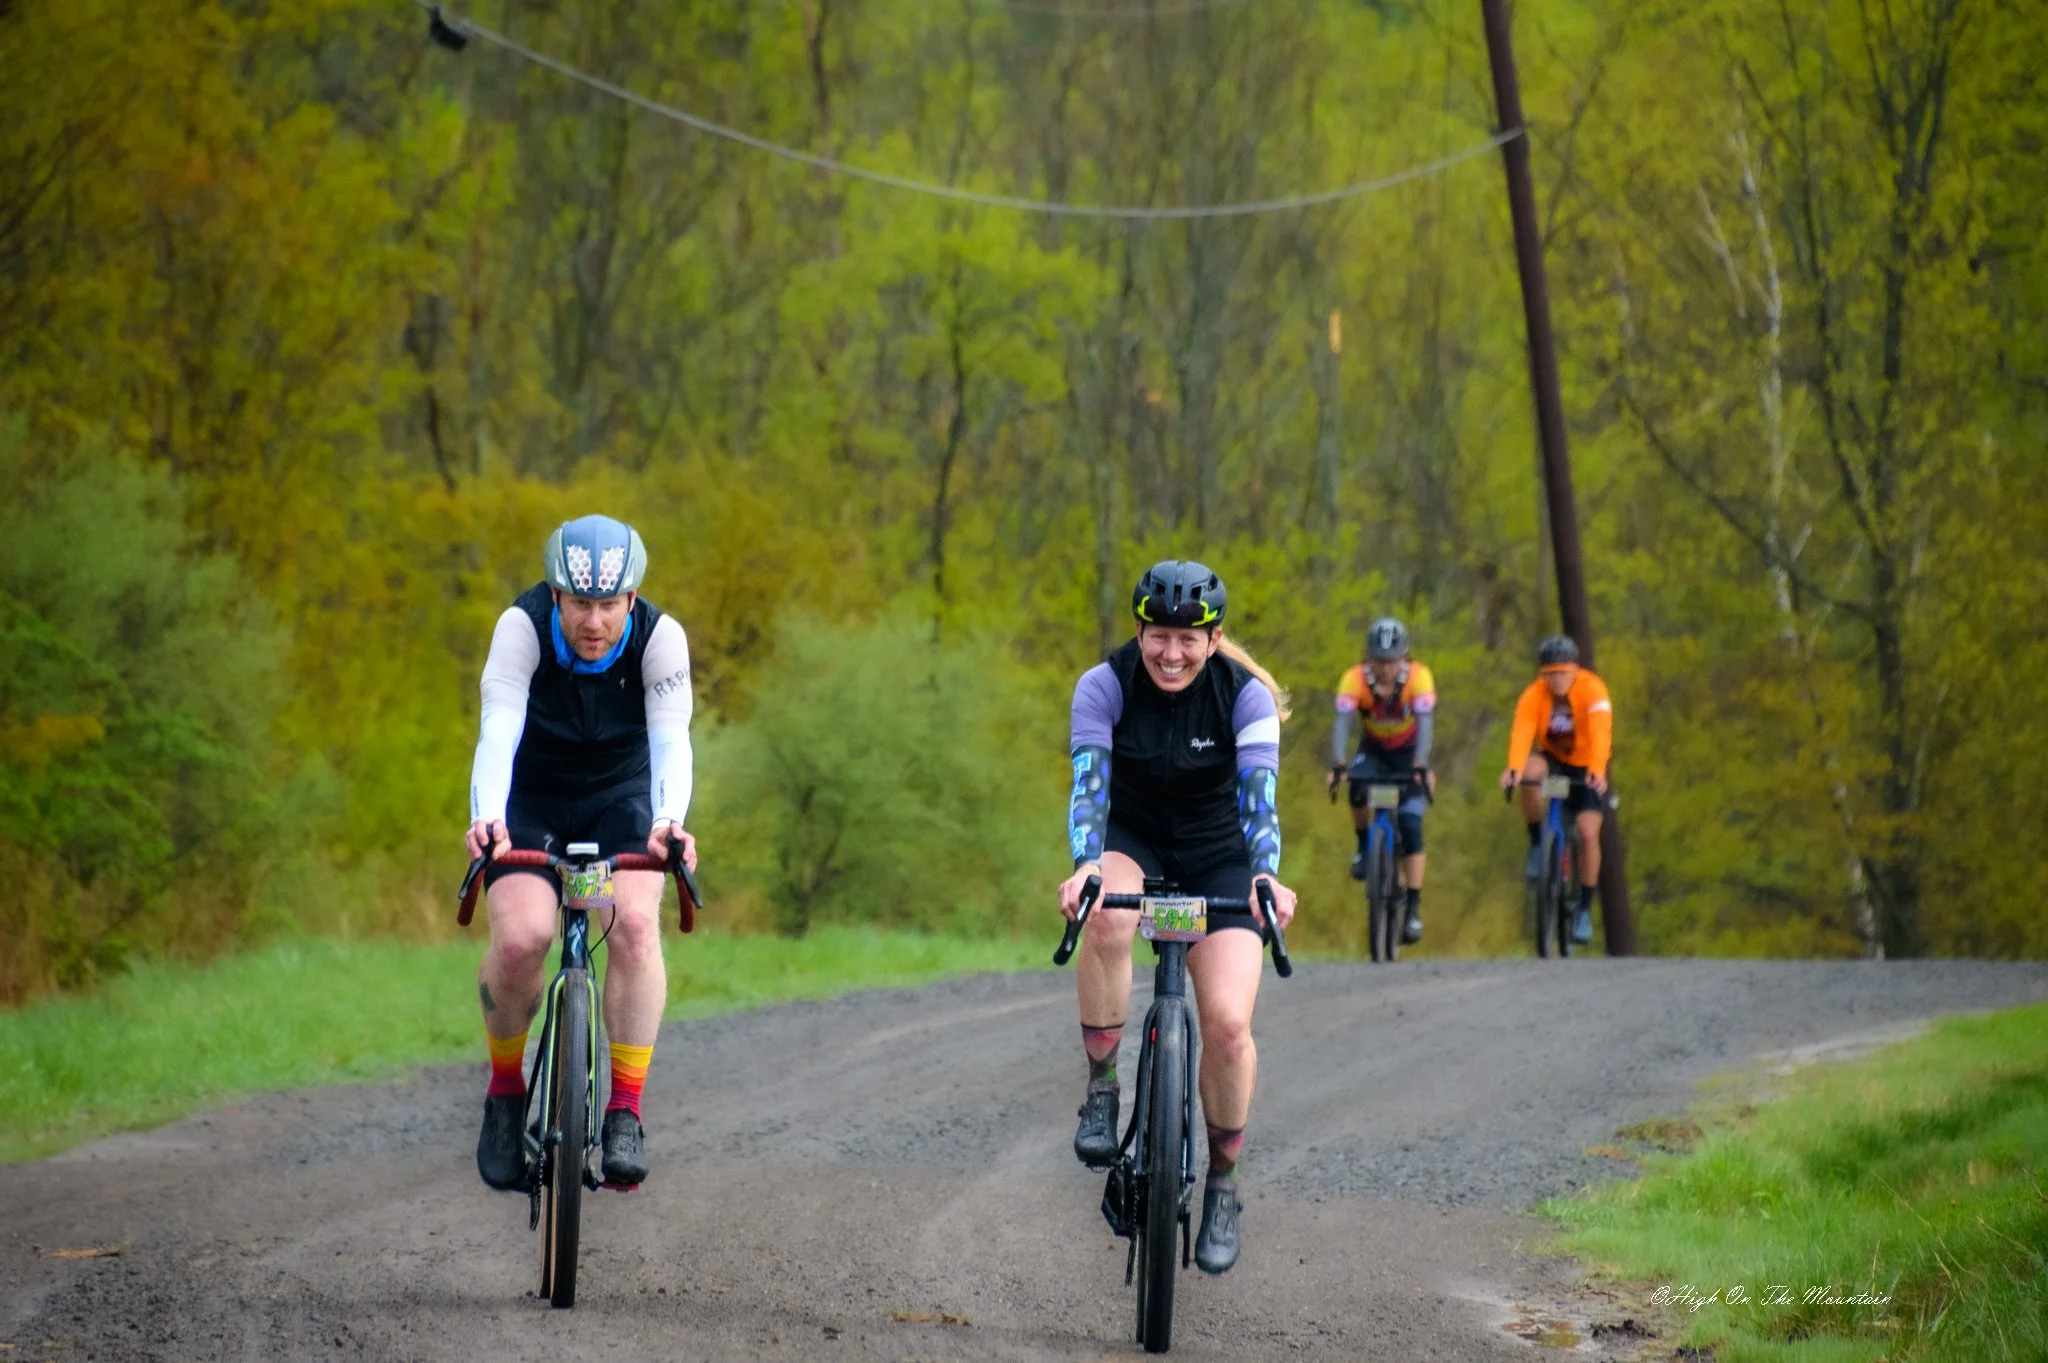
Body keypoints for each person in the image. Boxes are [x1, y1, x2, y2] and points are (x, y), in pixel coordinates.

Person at [1058, 560, 1300, 1276]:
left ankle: (1223, 1180)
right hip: (1132, 840)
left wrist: (1265, 874)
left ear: (1215, 638)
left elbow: (1260, 803)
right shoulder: (1103, 686)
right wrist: (1085, 863)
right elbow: (1090, 791)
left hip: (1220, 857)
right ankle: (1103, 1088)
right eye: (1159, 635)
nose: (1171, 652)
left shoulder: (1244, 695)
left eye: (1188, 639)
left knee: (1228, 1024)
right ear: (1139, 630)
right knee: (1104, 914)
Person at [464, 515, 699, 1192]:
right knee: (522, 938)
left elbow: (672, 742)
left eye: (607, 604)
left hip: (623, 799)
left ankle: (625, 1109)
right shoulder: (521, 627)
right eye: (578, 603)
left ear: (630, 599)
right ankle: (507, 1089)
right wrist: (487, 818)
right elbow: (498, 730)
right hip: (531, 798)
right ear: (556, 595)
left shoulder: (661, 637)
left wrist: (668, 822)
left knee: (631, 924)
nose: (592, 621)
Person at [1326, 617, 1437, 944]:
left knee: (1412, 825)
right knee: (1356, 790)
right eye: (1379, 661)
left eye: (1392, 661)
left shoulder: (1420, 677)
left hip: (1408, 754)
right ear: (1368, 658)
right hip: (1373, 751)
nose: (1385, 668)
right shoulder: (1354, 679)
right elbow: (1343, 723)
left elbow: (1426, 725)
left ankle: (1413, 906)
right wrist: (1338, 763)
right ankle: (1364, 847)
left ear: (1404, 658)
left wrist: (1421, 764)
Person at [1499, 635, 1611, 946]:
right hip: (1553, 759)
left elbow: (1602, 734)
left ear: (1575, 670)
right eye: (1550, 674)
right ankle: (1537, 842)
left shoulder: (1594, 690)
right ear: (1542, 674)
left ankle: (1585, 908)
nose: (1557, 679)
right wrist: (1513, 768)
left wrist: (1598, 772)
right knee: (1529, 775)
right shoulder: (1533, 695)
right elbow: (1522, 731)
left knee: (1588, 834)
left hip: (1587, 764)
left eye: (1563, 672)